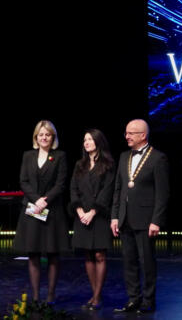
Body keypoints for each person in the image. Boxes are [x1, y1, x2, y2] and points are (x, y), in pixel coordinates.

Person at [111, 119, 170, 313]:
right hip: (125, 217)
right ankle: (133, 299)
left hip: (146, 219)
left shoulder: (158, 158)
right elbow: (118, 189)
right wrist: (114, 216)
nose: (126, 136)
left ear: (143, 135)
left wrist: (156, 221)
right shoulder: (124, 157)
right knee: (129, 261)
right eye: (126, 133)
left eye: (131, 133)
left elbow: (162, 194)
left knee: (147, 262)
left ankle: (148, 300)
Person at [13, 120, 70, 304]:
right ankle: (36, 297)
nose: (44, 138)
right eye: (41, 135)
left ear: (53, 137)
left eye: (47, 135)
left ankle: (51, 295)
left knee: (53, 254)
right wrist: (36, 199)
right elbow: (23, 181)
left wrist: (45, 200)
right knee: (33, 253)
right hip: (32, 208)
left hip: (52, 210)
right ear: (36, 137)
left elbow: (61, 184)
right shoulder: (28, 155)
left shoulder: (60, 156)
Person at [70, 129, 115, 310]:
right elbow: (73, 189)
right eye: (84, 140)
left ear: (98, 141)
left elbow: (107, 191)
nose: (86, 142)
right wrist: (79, 210)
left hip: (99, 215)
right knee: (88, 255)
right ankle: (95, 294)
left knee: (99, 255)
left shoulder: (108, 164)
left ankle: (97, 297)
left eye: (90, 139)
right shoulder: (79, 165)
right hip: (82, 215)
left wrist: (93, 211)